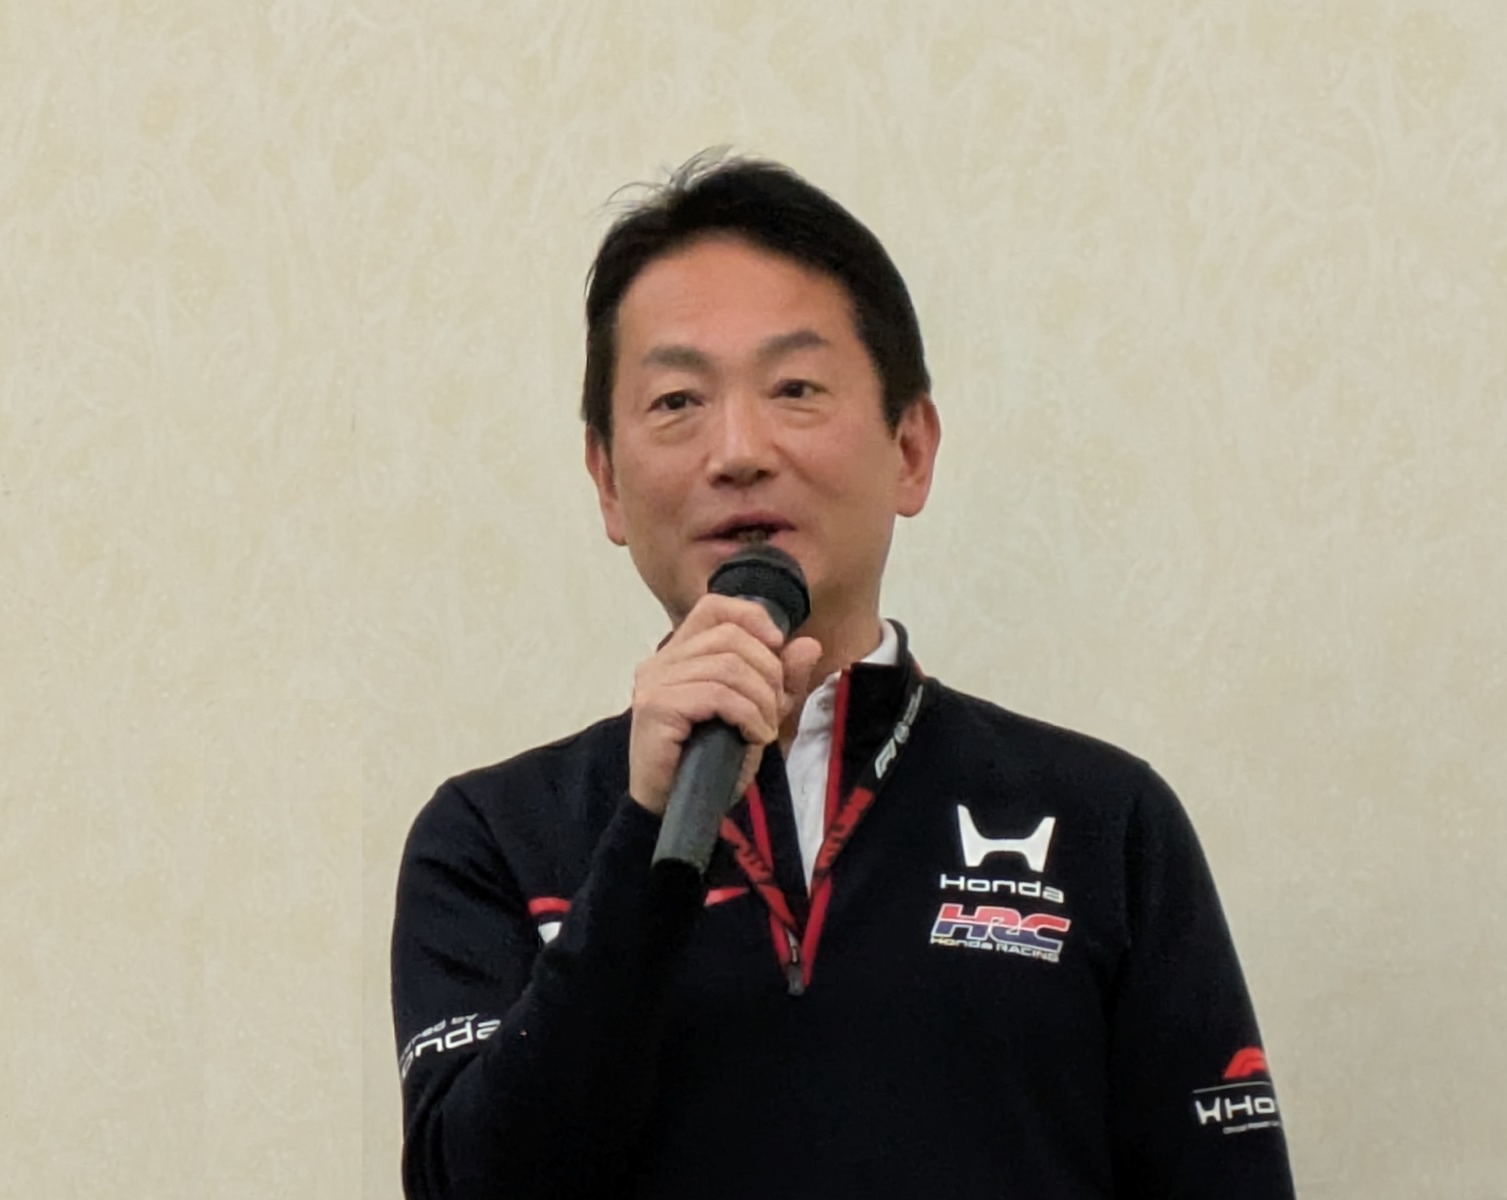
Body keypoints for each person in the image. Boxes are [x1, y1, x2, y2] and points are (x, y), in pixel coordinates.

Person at [391, 153, 1296, 1199]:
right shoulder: (493, 839)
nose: (738, 450)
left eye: (795, 389)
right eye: (678, 400)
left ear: (910, 449)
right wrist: (645, 834)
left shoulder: (1106, 820)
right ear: (606, 480)